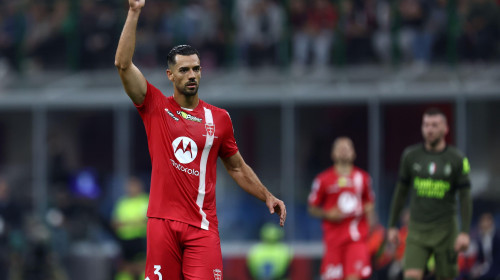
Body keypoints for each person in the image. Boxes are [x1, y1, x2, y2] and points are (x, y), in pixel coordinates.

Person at [114, 1, 287, 279]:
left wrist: (267, 195)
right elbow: (123, 65)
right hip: (162, 224)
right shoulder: (155, 107)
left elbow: (237, 167)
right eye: (184, 70)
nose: (191, 75)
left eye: (196, 69)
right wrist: (134, 12)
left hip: (202, 228)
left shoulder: (218, 118)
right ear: (170, 75)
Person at [387, 108, 473, 280]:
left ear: (445, 128)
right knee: (410, 275)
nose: (430, 129)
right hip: (417, 229)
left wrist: (464, 232)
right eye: (426, 125)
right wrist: (391, 225)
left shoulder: (458, 159)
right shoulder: (410, 156)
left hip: (446, 230)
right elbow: (401, 192)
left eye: (434, 125)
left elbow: (465, 196)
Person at [308, 137, 375, 280]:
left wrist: (371, 225)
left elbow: (370, 203)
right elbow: (312, 208)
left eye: (347, 148)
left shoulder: (363, 178)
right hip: (333, 240)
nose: (344, 151)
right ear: (333, 154)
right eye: (340, 148)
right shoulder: (322, 179)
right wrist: (328, 214)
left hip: (356, 239)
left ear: (354, 153)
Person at [111, 177, 149, 280]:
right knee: (124, 268)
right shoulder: (122, 202)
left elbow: (147, 221)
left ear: (140, 186)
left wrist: (126, 223)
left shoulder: (146, 200)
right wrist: (135, 222)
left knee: (143, 267)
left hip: (141, 239)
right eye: (129, 186)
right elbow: (115, 223)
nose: (131, 188)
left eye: (134, 185)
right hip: (124, 240)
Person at [471, 212, 500, 280]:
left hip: (496, 266)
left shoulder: (497, 237)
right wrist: (477, 267)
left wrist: (487, 269)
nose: (484, 224)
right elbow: (480, 257)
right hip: (485, 266)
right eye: (482, 221)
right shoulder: (480, 238)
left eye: (486, 221)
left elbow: (497, 258)